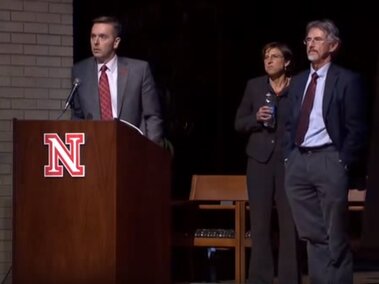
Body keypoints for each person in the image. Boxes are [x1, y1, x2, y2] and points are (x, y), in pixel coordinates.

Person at [284, 19, 368, 284]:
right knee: (312, 233)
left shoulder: (347, 80)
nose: (311, 44)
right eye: (308, 39)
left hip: (330, 158)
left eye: (317, 39)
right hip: (299, 161)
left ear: (333, 45)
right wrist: (290, 156)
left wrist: (343, 162)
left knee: (335, 233)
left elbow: (357, 127)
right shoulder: (297, 82)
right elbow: (290, 122)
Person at [235, 42, 301, 284]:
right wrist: (255, 118)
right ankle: (260, 279)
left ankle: (289, 279)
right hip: (259, 161)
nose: (269, 61)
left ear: (287, 62)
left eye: (275, 56)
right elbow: (238, 122)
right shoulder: (254, 86)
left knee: (288, 223)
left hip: (288, 161)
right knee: (260, 224)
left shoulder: (299, 87)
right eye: (266, 57)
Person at [71, 16, 163, 145]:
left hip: (132, 147)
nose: (96, 42)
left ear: (116, 42)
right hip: (95, 149)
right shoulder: (80, 72)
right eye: (93, 36)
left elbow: (152, 116)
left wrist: (150, 150)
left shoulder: (139, 71)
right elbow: (77, 117)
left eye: (103, 37)